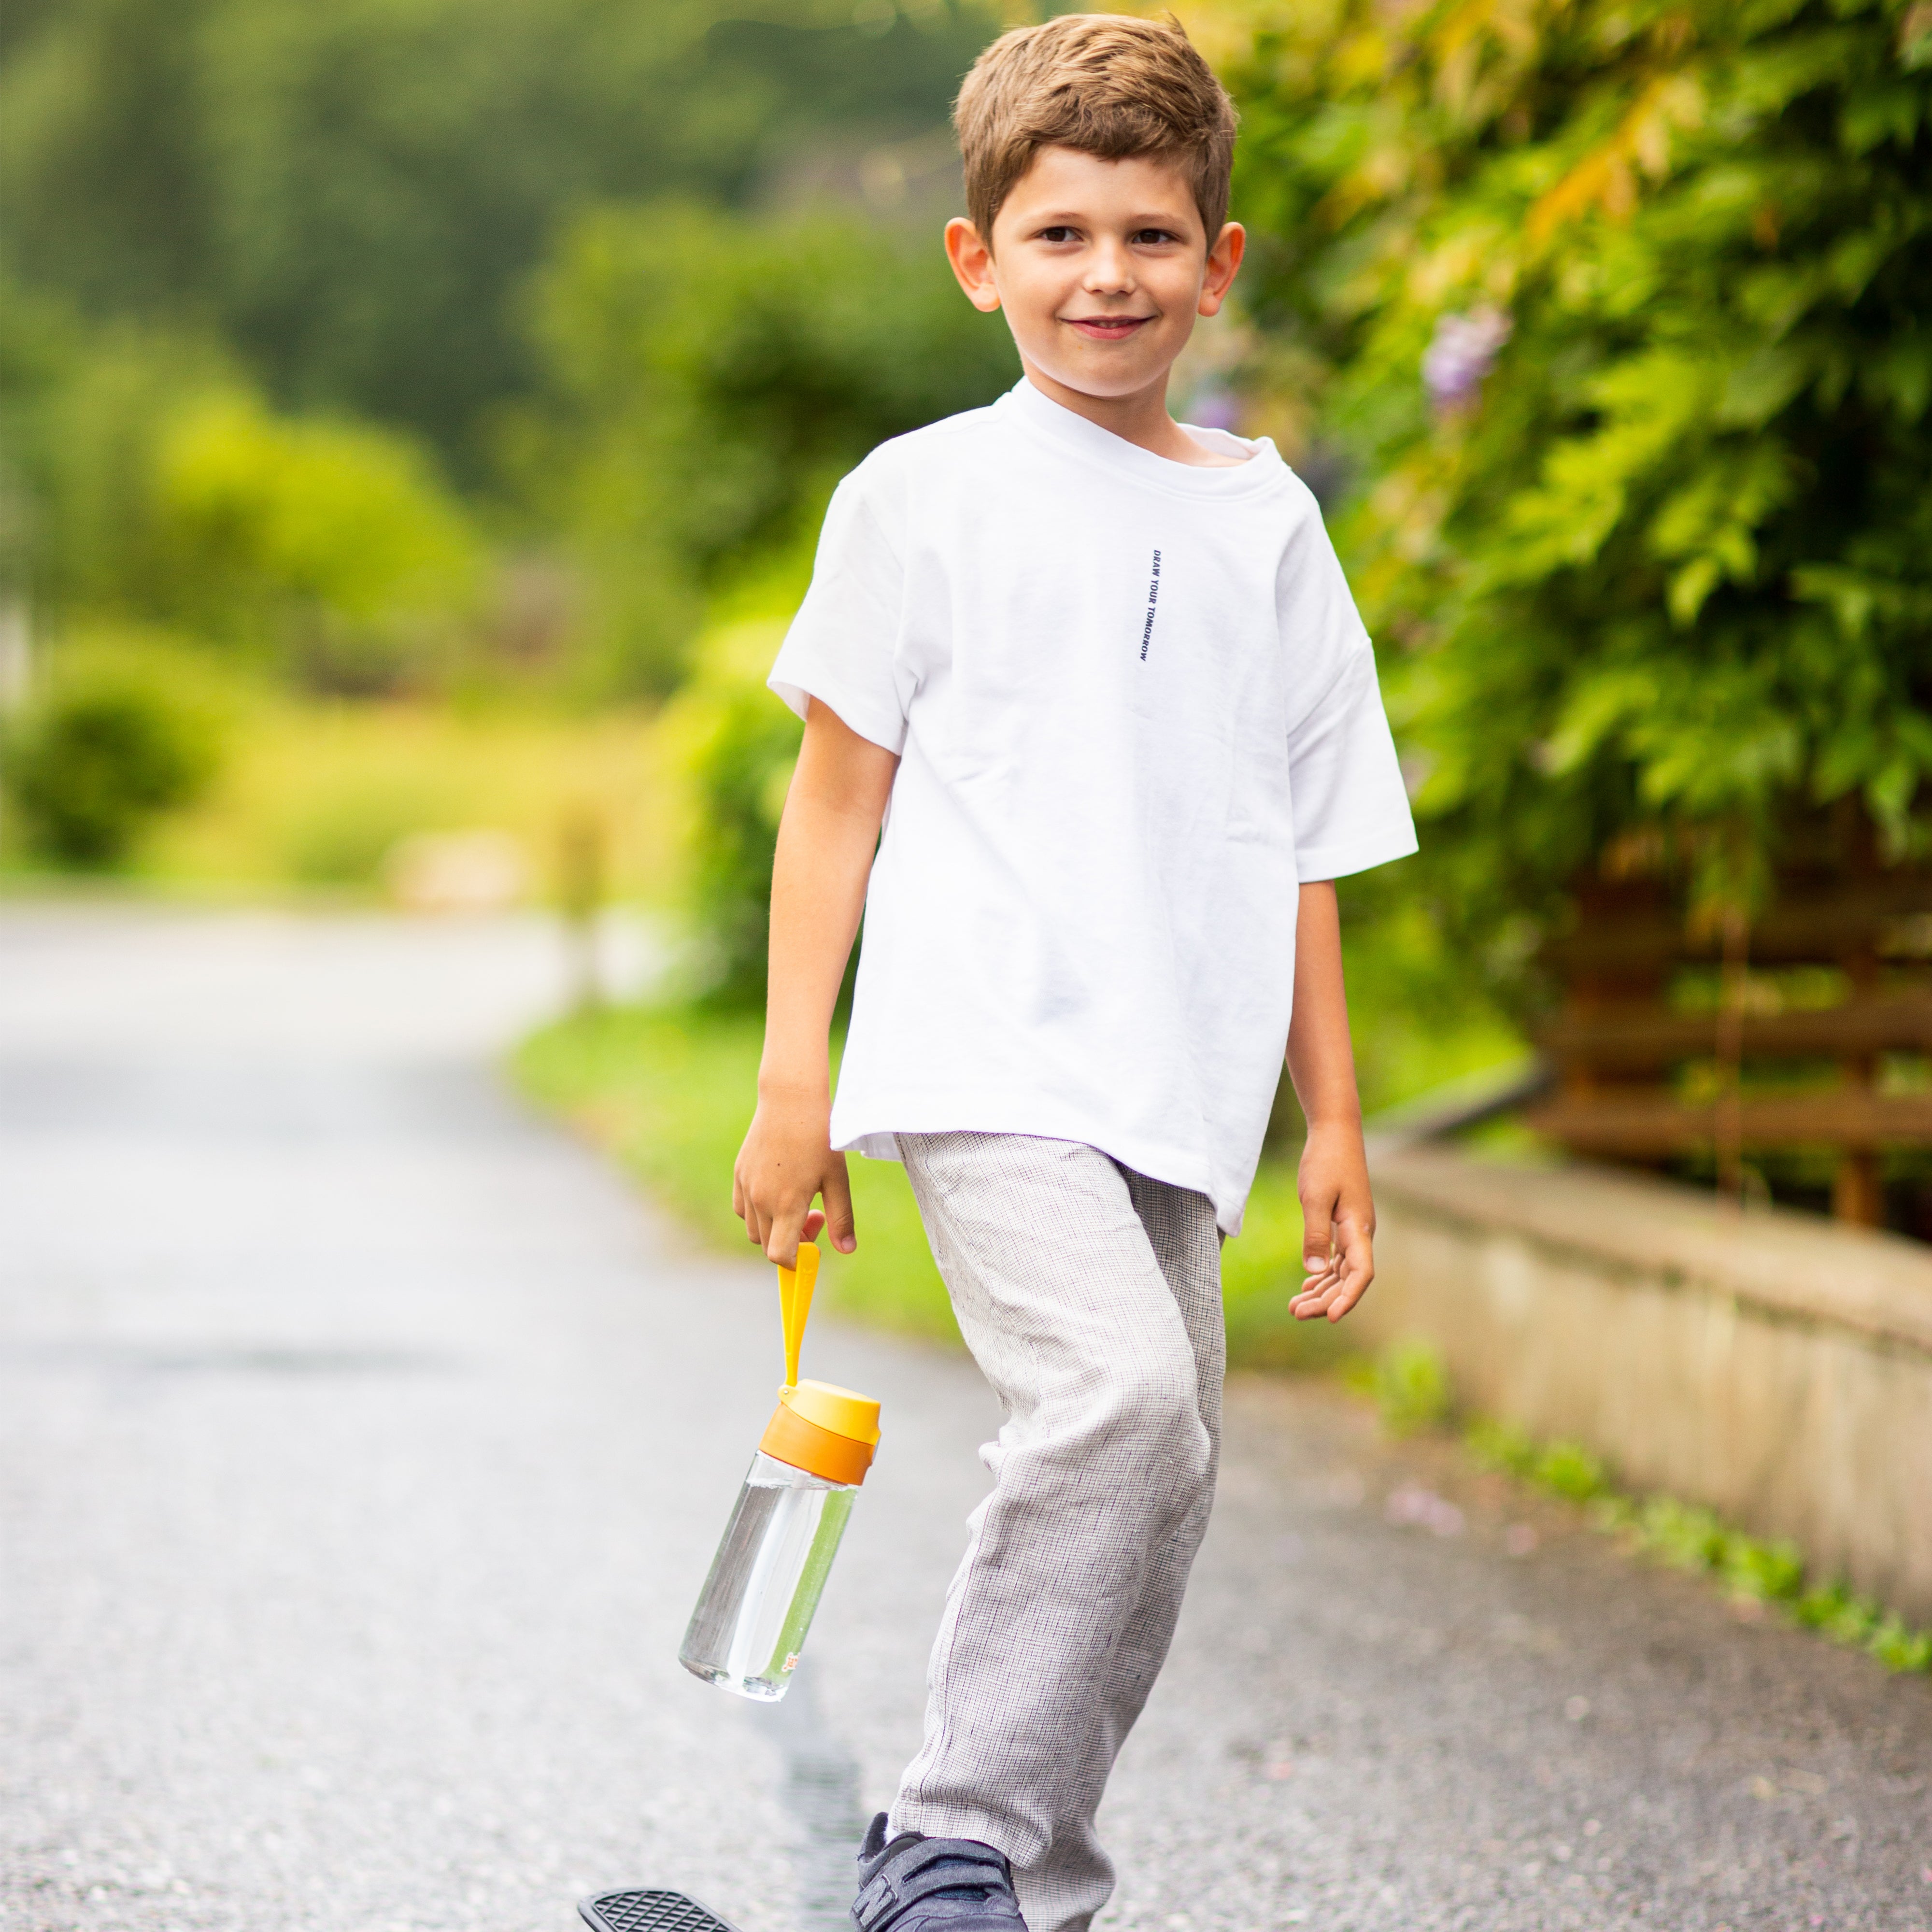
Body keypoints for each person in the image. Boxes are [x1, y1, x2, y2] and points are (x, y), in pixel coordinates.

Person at [732, 15, 1418, 1932]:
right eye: (1056, 235)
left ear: (1220, 261)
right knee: (1114, 1408)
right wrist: (797, 1081)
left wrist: (1333, 1123)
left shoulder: (1265, 522)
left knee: (1166, 1475)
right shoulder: (920, 499)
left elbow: (1303, 837)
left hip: (1181, 1094)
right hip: (981, 1057)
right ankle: (945, 1836)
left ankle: (1026, 1884)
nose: (1103, 274)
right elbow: (833, 801)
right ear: (977, 260)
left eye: (1145, 234)